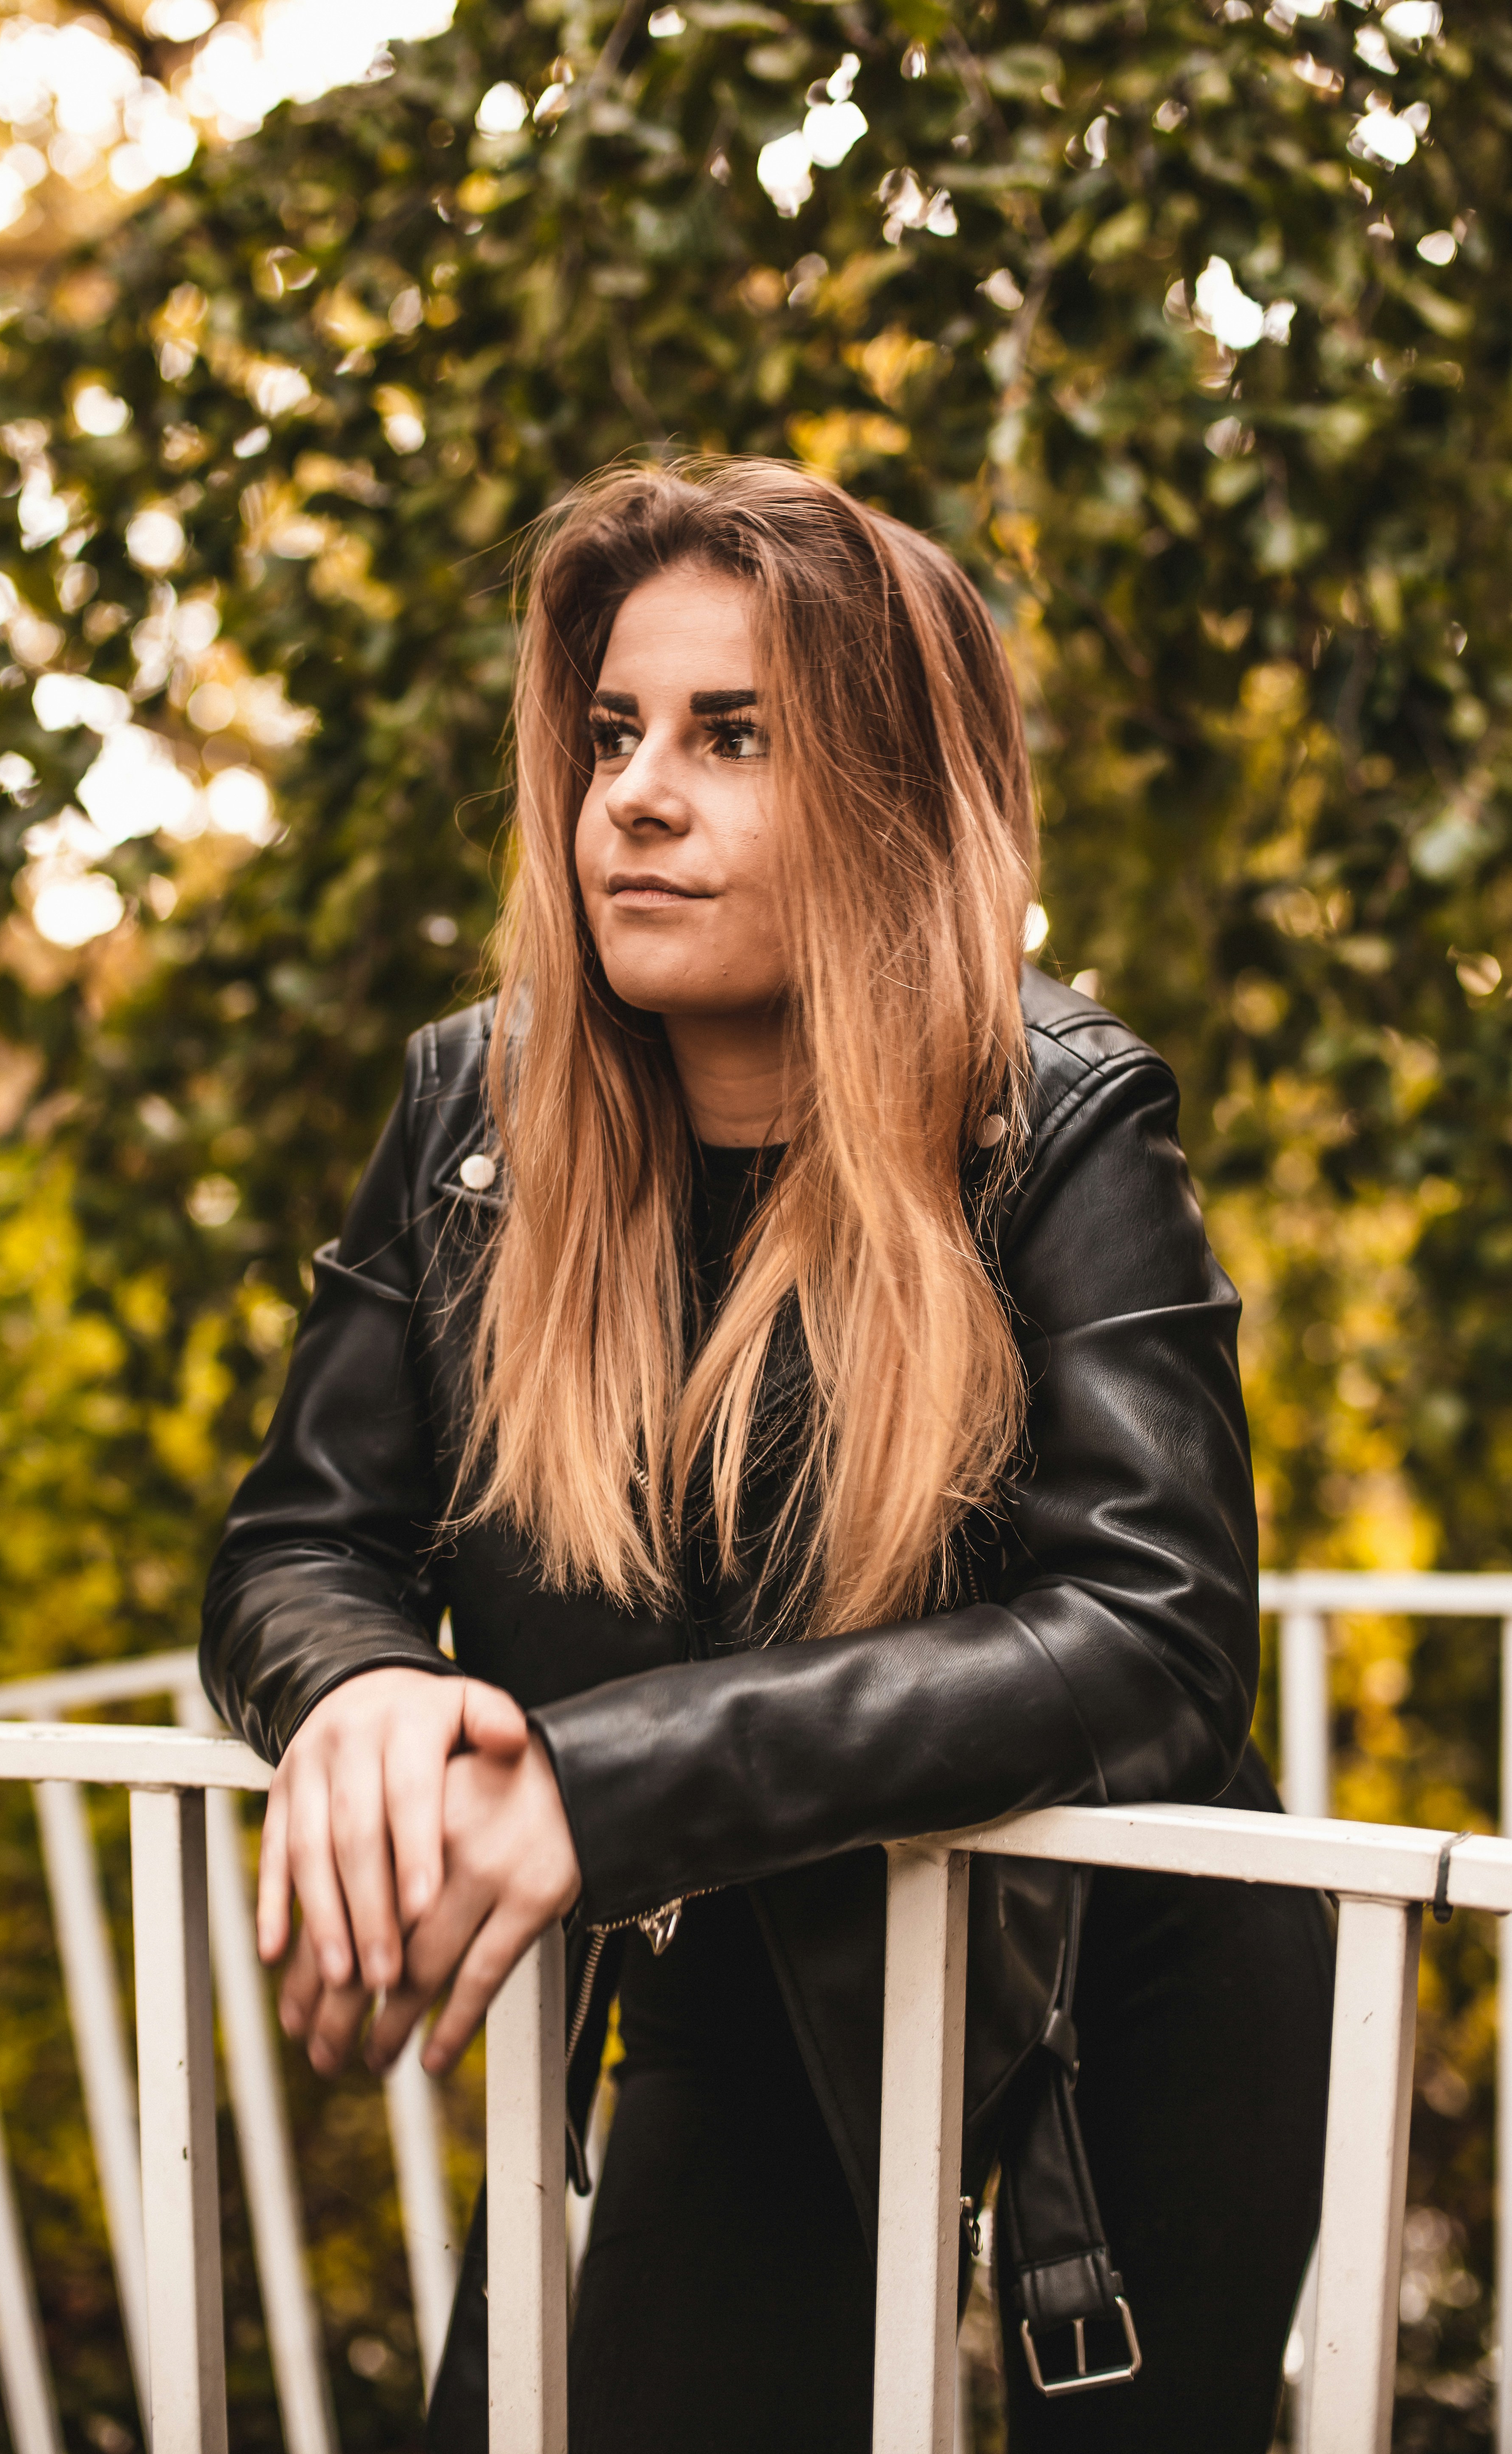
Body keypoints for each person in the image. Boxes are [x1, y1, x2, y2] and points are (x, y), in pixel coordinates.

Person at [201, 458, 1333, 2453]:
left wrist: (595, 1783)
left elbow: (1158, 1637)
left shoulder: (1058, 1118)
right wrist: (359, 1685)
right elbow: (304, 1540)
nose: (638, 796)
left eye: (735, 737)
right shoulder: (473, 1111)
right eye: (614, 734)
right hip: (732, 1962)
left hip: (1123, 1987)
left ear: (896, 798)